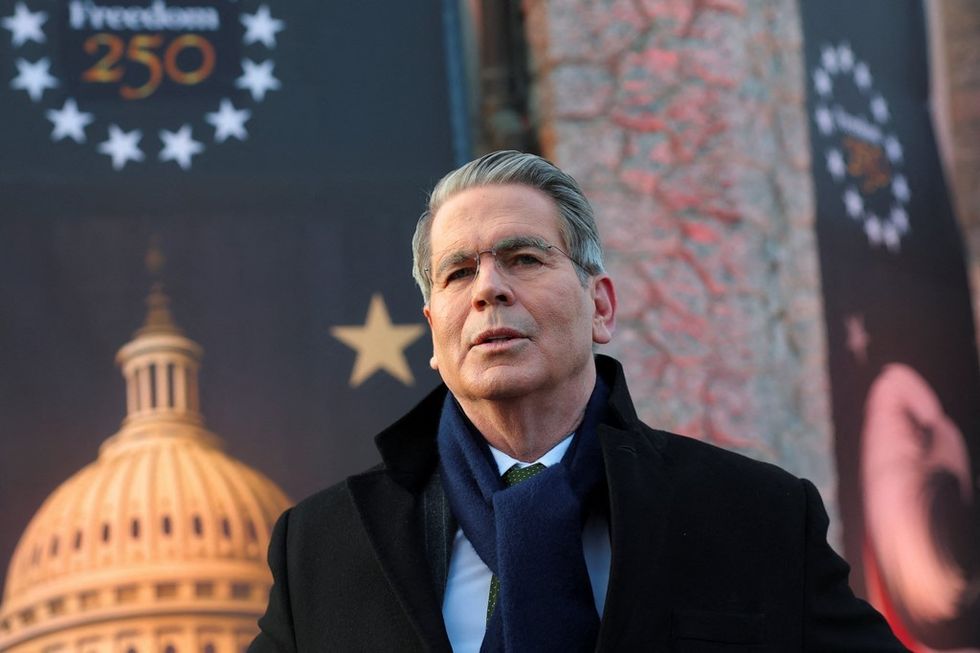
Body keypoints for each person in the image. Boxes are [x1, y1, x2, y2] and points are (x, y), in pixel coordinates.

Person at [249, 151, 907, 652]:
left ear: (600, 307)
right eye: (458, 272)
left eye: (524, 258)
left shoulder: (757, 516)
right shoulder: (321, 546)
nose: (488, 290)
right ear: (434, 334)